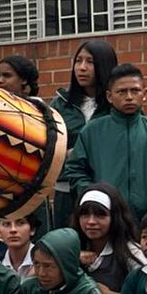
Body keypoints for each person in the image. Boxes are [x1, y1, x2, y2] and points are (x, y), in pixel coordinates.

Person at [63, 63, 147, 222]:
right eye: (122, 92)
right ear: (109, 96)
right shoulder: (92, 131)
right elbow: (75, 169)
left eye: (135, 91)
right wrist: (95, 198)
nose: (129, 97)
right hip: (106, 220)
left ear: (144, 94)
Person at [51, 40, 118, 224]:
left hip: (107, 188)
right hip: (67, 189)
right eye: (78, 61)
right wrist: (67, 154)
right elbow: (46, 145)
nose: (81, 68)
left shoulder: (115, 105)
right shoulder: (60, 104)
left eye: (90, 62)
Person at [71, 184, 146, 294]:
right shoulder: (71, 246)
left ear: (115, 217)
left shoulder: (129, 251)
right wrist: (70, 257)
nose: (91, 221)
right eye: (84, 215)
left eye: (100, 215)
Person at [0, 214, 37, 279]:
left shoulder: (45, 261)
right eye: (7, 224)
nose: (13, 230)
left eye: (20, 223)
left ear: (32, 229)